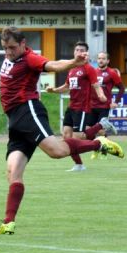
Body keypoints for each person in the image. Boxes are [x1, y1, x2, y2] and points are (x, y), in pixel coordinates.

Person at [0, 26, 124, 235]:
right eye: (4, 48)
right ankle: (8, 222)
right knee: (12, 172)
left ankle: (98, 143)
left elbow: (52, 65)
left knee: (57, 152)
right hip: (15, 120)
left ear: (23, 44)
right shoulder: (10, 58)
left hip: (28, 111)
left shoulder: (29, 58)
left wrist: (73, 62)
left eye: (11, 47)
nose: (8, 52)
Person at [46, 42, 115, 172]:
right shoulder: (72, 69)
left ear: (86, 53)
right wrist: (54, 90)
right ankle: (79, 165)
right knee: (67, 136)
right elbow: (66, 87)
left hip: (82, 108)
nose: (79, 52)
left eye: (82, 50)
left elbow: (96, 84)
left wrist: (101, 95)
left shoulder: (88, 68)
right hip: (71, 107)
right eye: (77, 50)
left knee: (78, 139)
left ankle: (101, 132)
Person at [89, 51, 125, 135]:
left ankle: (106, 146)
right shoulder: (93, 72)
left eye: (103, 59)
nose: (101, 60)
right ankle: (95, 145)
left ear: (108, 61)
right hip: (91, 105)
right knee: (88, 129)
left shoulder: (112, 73)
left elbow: (122, 88)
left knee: (100, 130)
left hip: (104, 106)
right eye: (99, 58)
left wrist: (116, 102)